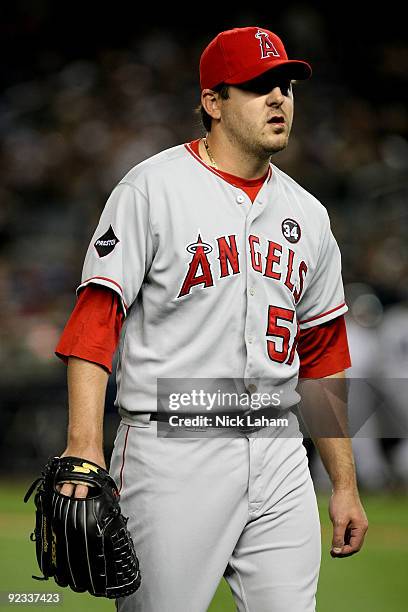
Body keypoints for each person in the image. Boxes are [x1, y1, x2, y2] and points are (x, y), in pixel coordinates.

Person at [55, 26, 368, 612]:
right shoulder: (152, 188)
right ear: (212, 102)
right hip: (172, 450)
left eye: (286, 85)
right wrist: (83, 446)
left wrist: (344, 485)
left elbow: (324, 357)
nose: (279, 98)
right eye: (257, 86)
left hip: (279, 450)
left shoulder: (310, 215)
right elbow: (94, 323)